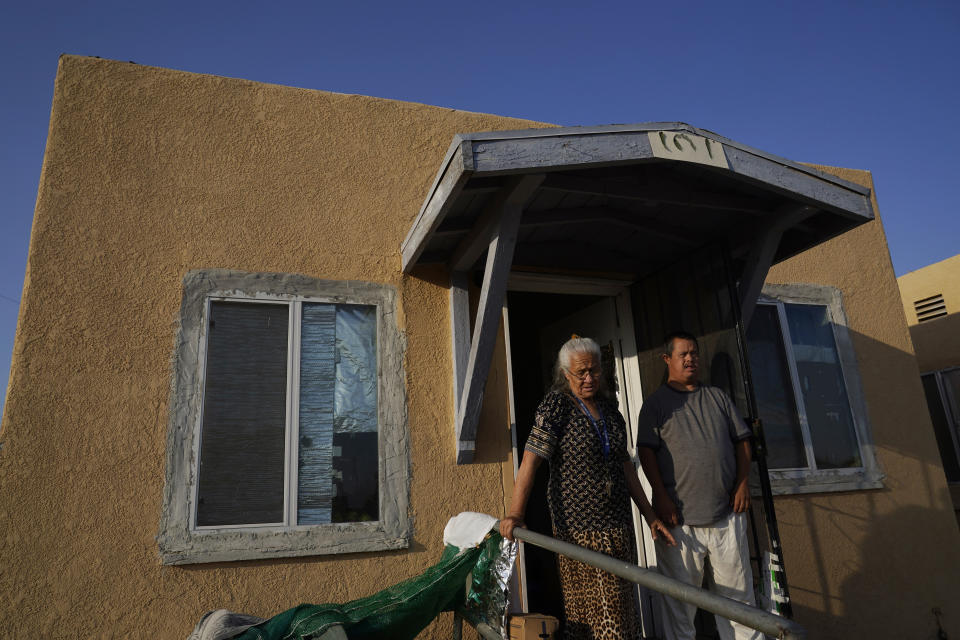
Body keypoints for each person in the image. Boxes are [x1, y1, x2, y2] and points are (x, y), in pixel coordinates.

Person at [500, 336, 675, 640]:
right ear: (565, 374)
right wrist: (515, 513)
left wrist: (649, 515)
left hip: (619, 527)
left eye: (594, 370)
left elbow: (625, 468)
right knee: (599, 616)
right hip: (581, 531)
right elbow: (530, 460)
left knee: (623, 609)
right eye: (581, 372)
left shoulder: (610, 410)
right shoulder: (557, 406)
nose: (590, 378)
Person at [636, 331, 760, 640]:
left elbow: (743, 442)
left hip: (726, 517)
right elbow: (646, 452)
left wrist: (743, 483)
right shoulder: (655, 405)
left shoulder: (718, 397)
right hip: (679, 524)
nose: (691, 359)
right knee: (680, 609)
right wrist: (660, 498)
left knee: (739, 604)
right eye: (683, 354)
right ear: (668, 359)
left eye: (694, 353)